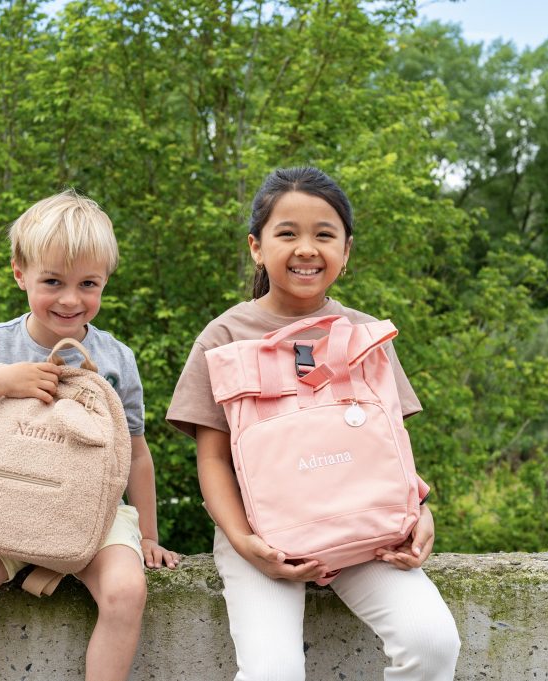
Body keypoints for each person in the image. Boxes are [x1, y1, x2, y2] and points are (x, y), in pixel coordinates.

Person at [167, 167, 461, 680]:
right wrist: (244, 543)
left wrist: (417, 507)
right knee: (273, 673)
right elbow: (212, 458)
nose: (306, 248)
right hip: (262, 535)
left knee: (431, 641)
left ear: (346, 251)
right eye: (288, 233)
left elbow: (390, 440)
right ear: (257, 247)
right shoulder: (224, 336)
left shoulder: (366, 333)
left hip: (362, 525)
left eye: (324, 234)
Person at [0, 189, 179, 681]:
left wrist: (149, 535)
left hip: (94, 513)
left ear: (106, 281)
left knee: (126, 592)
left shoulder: (118, 360)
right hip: (2, 505)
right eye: (52, 281)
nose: (71, 299)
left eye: (88, 284)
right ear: (19, 273)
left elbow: (135, 452)